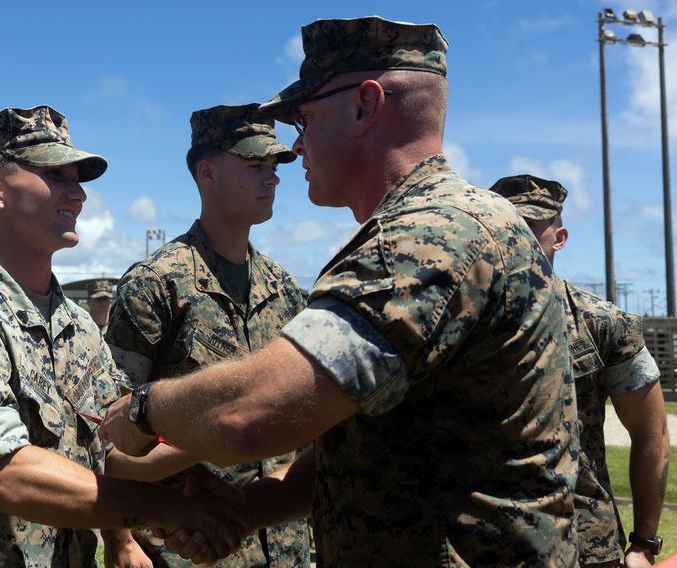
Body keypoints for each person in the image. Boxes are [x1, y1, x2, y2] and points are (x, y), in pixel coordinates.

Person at [100, 16, 579, 567]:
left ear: (364, 105)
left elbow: (253, 413)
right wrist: (248, 507)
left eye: (303, 120)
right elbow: (366, 443)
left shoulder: (428, 238)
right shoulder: (440, 227)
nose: (296, 148)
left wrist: (141, 411)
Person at [0, 105, 248, 567]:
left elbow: (111, 456)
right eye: (55, 175)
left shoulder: (78, 326)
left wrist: (221, 433)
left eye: (77, 179)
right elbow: (4, 475)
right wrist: (170, 509)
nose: (77, 194)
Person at [104, 103, 309, 567]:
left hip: (282, 539)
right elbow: (111, 439)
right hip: (189, 545)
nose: (273, 178)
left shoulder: (284, 288)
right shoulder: (156, 285)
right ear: (208, 173)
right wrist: (120, 539)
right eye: (256, 165)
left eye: (275, 167)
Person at [490, 174, 670, 568]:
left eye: (532, 227)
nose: (516, 238)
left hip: (583, 545)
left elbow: (651, 433)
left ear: (560, 237)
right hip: (479, 545)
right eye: (505, 227)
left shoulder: (603, 324)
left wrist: (643, 544)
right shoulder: (454, 321)